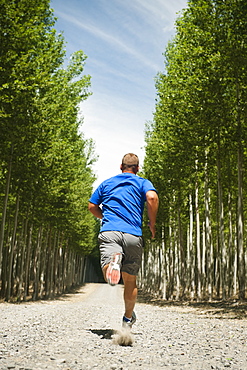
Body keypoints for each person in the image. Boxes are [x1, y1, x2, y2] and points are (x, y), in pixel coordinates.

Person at [88, 153, 159, 328]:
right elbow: (152, 197)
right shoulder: (142, 182)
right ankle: (127, 319)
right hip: (133, 235)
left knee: (109, 272)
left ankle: (113, 263)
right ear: (137, 168)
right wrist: (152, 222)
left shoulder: (107, 183)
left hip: (110, 232)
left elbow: (92, 206)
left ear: (121, 167)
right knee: (130, 280)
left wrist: (105, 217)